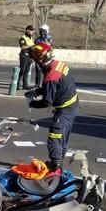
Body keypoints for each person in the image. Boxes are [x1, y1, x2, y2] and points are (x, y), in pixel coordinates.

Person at [27, 43, 79, 173]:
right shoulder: (58, 64)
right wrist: (38, 91)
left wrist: (32, 103)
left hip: (65, 109)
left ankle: (56, 165)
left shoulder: (50, 76)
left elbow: (46, 102)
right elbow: (57, 86)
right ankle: (59, 161)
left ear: (41, 59)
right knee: (62, 136)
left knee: (55, 136)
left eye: (36, 60)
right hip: (73, 104)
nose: (36, 62)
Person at [18, 25, 35, 91]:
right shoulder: (23, 38)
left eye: (33, 30)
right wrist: (31, 46)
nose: (32, 31)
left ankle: (25, 85)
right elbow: (22, 47)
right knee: (22, 70)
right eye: (31, 30)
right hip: (24, 56)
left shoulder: (31, 38)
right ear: (27, 30)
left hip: (29, 57)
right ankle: (17, 84)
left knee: (26, 71)